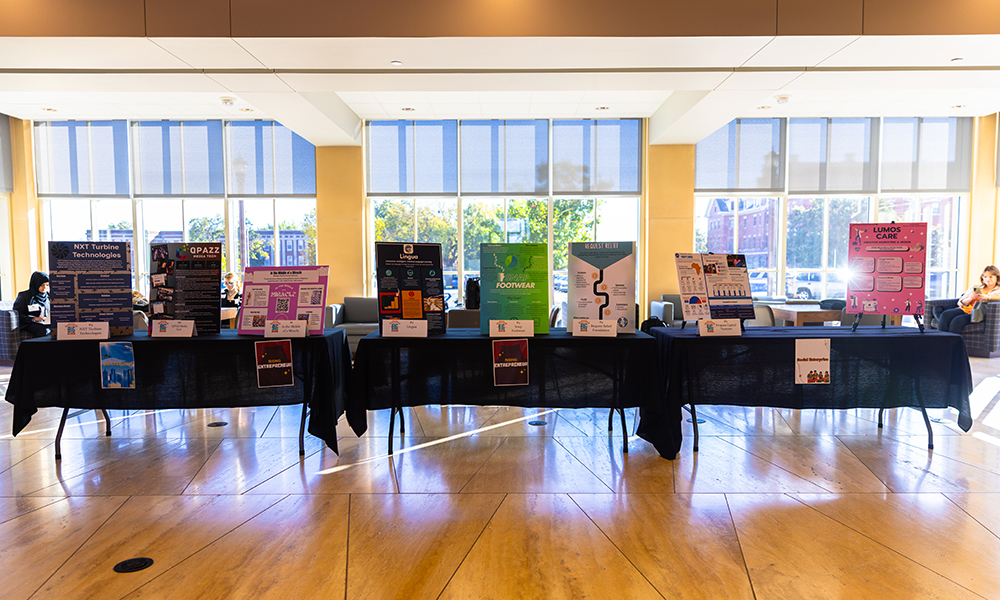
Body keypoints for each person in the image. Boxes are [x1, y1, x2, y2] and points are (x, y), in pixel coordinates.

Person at [937, 265, 1000, 333]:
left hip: (978, 313)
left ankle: (952, 343)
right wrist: (971, 298)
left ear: (997, 277)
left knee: (957, 320)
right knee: (945, 315)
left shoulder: (998, 290)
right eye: (985, 277)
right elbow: (960, 303)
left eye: (991, 277)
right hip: (966, 309)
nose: (988, 279)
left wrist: (987, 298)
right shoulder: (975, 287)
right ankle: (941, 341)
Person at [13, 271, 50, 338]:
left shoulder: (49, 296)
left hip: (45, 322)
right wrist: (34, 318)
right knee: (45, 330)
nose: (45, 287)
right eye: (42, 285)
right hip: (29, 323)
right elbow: (18, 314)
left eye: (47, 285)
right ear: (36, 284)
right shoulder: (24, 296)